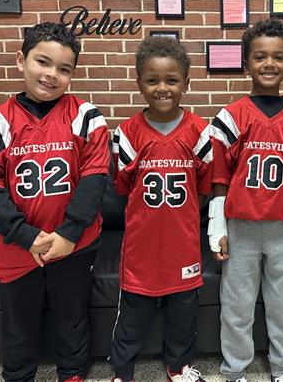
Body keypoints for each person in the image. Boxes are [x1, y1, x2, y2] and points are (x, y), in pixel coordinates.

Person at [0, 22, 110, 382]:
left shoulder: (86, 116)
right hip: (17, 246)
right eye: (42, 62)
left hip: (74, 243)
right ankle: (18, 375)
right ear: (21, 60)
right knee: (18, 323)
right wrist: (26, 236)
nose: (51, 75)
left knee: (71, 316)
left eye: (64, 69)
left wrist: (68, 234)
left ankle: (73, 373)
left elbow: (94, 180)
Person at [207, 19, 283, 382]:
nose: (269, 64)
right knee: (237, 306)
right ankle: (235, 370)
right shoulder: (231, 116)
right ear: (246, 64)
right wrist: (217, 224)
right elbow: (219, 177)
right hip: (240, 227)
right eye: (260, 56)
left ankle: (281, 367)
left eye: (278, 56)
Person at [110, 36, 212, 382]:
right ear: (139, 82)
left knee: (183, 314)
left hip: (183, 245)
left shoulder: (201, 132)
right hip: (141, 246)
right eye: (152, 80)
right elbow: (124, 188)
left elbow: (203, 188)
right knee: (132, 315)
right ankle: (122, 371)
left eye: (171, 80)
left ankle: (178, 367)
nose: (162, 88)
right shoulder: (126, 133)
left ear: (186, 82)